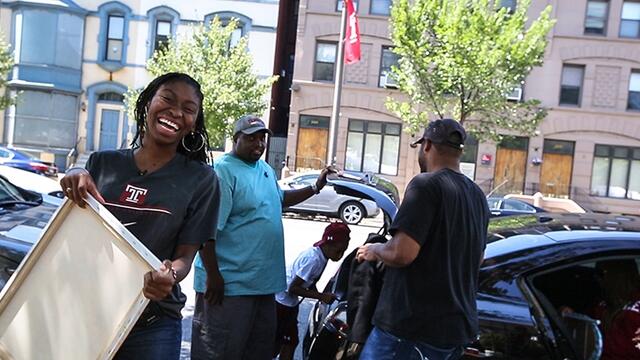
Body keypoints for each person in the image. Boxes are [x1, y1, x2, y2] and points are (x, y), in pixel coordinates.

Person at [60, 72, 220, 360]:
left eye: (188, 109)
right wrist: (74, 174)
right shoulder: (102, 162)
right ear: (148, 102)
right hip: (86, 313)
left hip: (151, 325)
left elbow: (186, 255)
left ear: (194, 123)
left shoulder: (202, 180)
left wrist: (169, 275)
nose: (176, 112)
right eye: (167, 99)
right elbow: (73, 233)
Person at [191, 115, 336, 360]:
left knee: (257, 352)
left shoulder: (265, 169)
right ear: (236, 139)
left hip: (263, 286)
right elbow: (206, 230)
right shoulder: (223, 172)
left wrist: (316, 187)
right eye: (251, 138)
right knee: (219, 352)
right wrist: (213, 276)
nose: (259, 143)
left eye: (262, 138)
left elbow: (281, 200)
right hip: (229, 286)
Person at [356, 118, 489, 360]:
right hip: (455, 330)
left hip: (411, 329)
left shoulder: (425, 185)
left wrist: (375, 249)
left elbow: (401, 253)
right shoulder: (477, 195)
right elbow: (478, 259)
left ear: (426, 145)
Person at [273, 221, 351, 360]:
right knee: (280, 341)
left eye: (343, 252)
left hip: (289, 303)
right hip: (282, 302)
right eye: (338, 251)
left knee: (289, 341)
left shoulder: (323, 256)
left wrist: (321, 295)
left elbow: (309, 282)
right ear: (327, 244)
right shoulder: (313, 259)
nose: (340, 255)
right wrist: (321, 296)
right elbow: (293, 288)